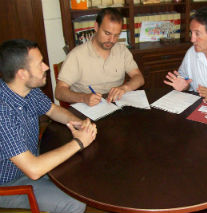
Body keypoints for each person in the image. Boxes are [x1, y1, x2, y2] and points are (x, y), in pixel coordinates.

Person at [0, 39, 97, 212]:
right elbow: (34, 169)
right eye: (40, 64)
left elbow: (52, 110)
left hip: (31, 157)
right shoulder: (3, 113)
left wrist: (79, 123)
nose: (46, 67)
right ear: (22, 74)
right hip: (9, 182)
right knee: (74, 202)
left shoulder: (27, 90)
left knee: (82, 172)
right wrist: (79, 142)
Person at [55, 7, 144, 106]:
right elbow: (59, 91)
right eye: (107, 33)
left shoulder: (122, 51)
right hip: (86, 108)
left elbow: (139, 78)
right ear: (96, 27)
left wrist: (125, 88)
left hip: (113, 105)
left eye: (116, 35)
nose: (111, 40)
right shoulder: (76, 55)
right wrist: (83, 97)